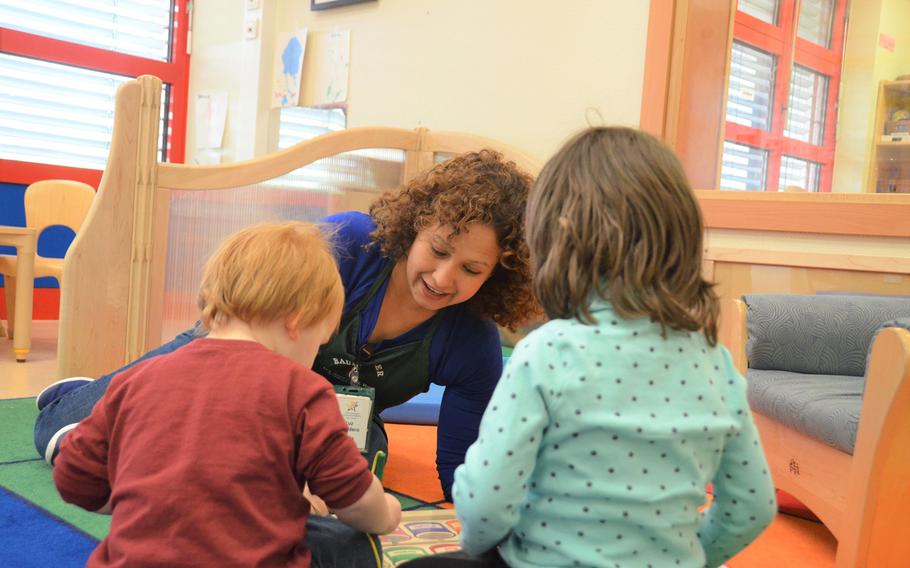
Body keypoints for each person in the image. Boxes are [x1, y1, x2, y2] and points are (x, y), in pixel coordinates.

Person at [35, 150, 538, 501]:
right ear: (415, 227)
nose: (443, 277)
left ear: (498, 275)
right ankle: (77, 396)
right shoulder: (353, 243)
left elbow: (461, 468)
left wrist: (477, 526)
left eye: (472, 270)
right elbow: (246, 329)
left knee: (355, 476)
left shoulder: (472, 339)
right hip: (231, 364)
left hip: (322, 416)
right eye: (439, 250)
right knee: (62, 434)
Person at [405, 127, 777, 567]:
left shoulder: (547, 354)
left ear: (554, 242)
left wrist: (478, 546)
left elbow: (486, 502)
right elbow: (752, 507)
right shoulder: (715, 364)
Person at [53, 221, 402, 567]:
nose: (314, 357)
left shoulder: (138, 379)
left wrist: (145, 499)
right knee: (348, 543)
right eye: (319, 343)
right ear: (297, 320)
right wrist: (386, 512)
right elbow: (352, 498)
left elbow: (73, 477)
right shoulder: (302, 390)